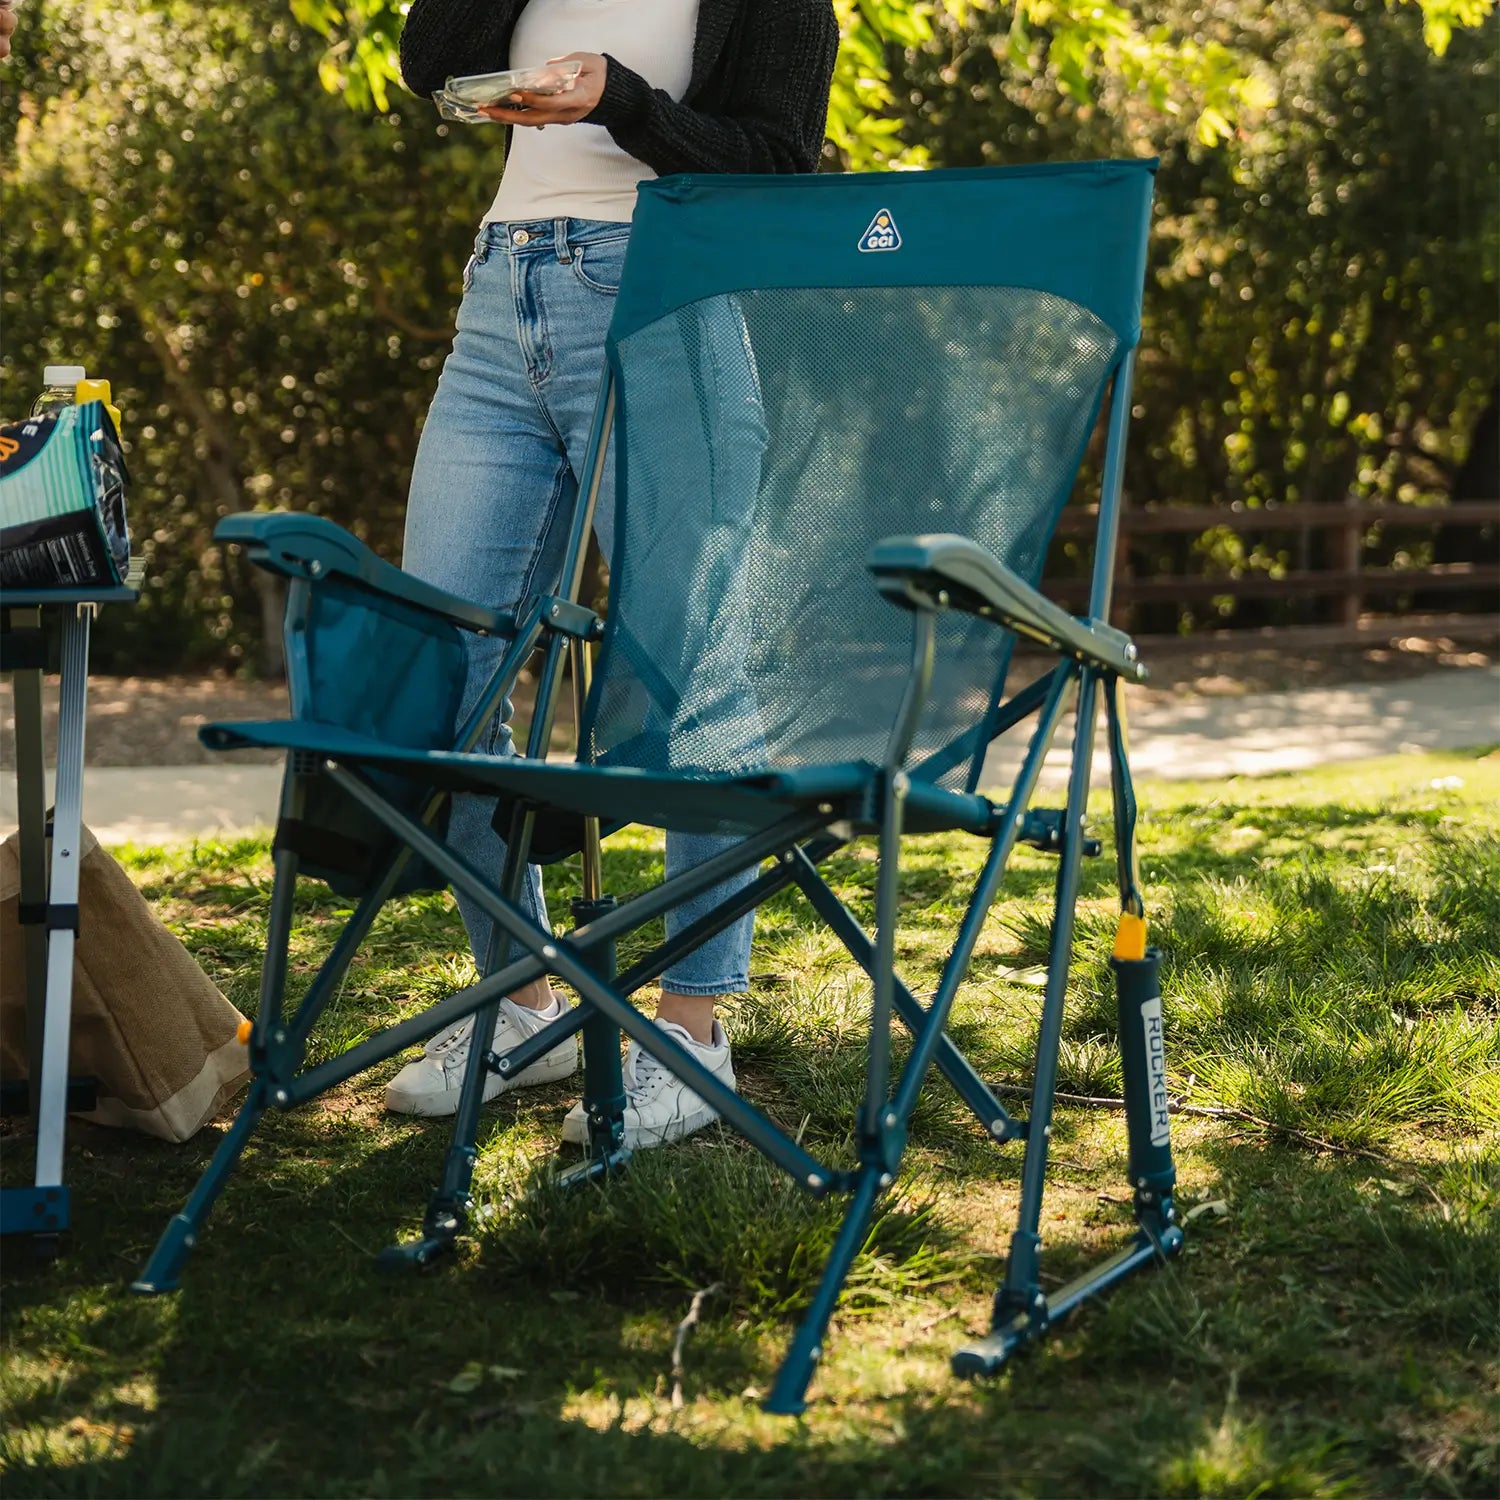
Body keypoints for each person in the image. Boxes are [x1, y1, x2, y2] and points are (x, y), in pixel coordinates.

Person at [387, 0, 839, 1148]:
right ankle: (522, 1005)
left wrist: (622, 101)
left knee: (690, 662)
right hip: (502, 297)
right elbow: (430, 61)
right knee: (444, 664)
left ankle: (692, 1031)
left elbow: (780, 162)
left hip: (657, 294)